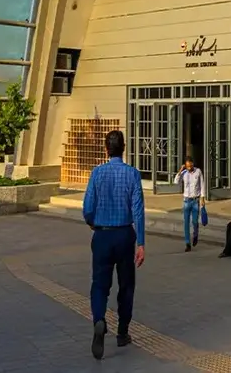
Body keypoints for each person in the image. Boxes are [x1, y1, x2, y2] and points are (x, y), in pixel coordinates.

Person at [82, 130, 145, 360]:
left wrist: (92, 222)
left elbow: (88, 207)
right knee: (126, 285)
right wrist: (141, 243)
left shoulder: (97, 173)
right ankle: (122, 332)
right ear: (124, 148)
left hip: (102, 235)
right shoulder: (132, 174)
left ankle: (99, 319)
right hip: (125, 235)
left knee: (99, 284)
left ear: (106, 149)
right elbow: (138, 210)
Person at [173, 157, 206, 252]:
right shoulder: (184, 173)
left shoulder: (198, 171)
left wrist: (202, 198)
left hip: (195, 200)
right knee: (186, 223)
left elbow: (202, 185)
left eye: (190, 166)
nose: (189, 168)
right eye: (187, 166)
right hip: (186, 201)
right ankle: (187, 243)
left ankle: (195, 234)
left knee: (195, 221)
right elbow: (176, 181)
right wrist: (180, 170)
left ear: (192, 164)